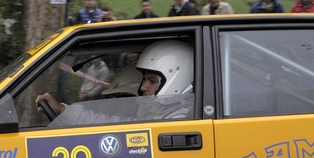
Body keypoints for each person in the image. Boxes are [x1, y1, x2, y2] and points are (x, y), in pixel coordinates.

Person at [36, 40, 195, 126]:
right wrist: (62, 109)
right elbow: (113, 124)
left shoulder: (179, 122)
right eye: (145, 80)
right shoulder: (162, 116)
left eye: (151, 81)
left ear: (176, 80)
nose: (143, 87)